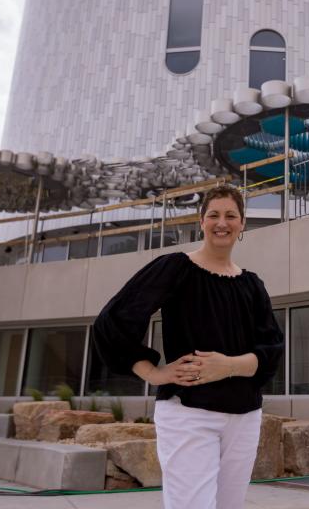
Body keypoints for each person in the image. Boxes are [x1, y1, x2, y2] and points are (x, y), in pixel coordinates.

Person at [92, 184, 284, 509]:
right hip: (189, 414)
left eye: (230, 215)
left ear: (242, 224)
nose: (221, 222)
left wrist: (229, 366)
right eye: (214, 215)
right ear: (201, 220)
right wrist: (153, 372)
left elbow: (272, 351)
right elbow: (112, 322)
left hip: (245, 417)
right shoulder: (176, 267)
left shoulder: (252, 285)